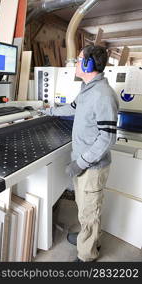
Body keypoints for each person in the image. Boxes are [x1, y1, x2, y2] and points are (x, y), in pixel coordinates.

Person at [40, 45, 119, 262]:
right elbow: (73, 108)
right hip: (83, 162)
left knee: (90, 211)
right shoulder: (87, 89)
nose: (75, 63)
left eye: (78, 60)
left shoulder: (103, 95)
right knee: (85, 207)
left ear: (88, 64)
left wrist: (81, 162)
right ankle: (89, 236)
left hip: (91, 166)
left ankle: (87, 256)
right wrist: (49, 111)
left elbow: (107, 138)